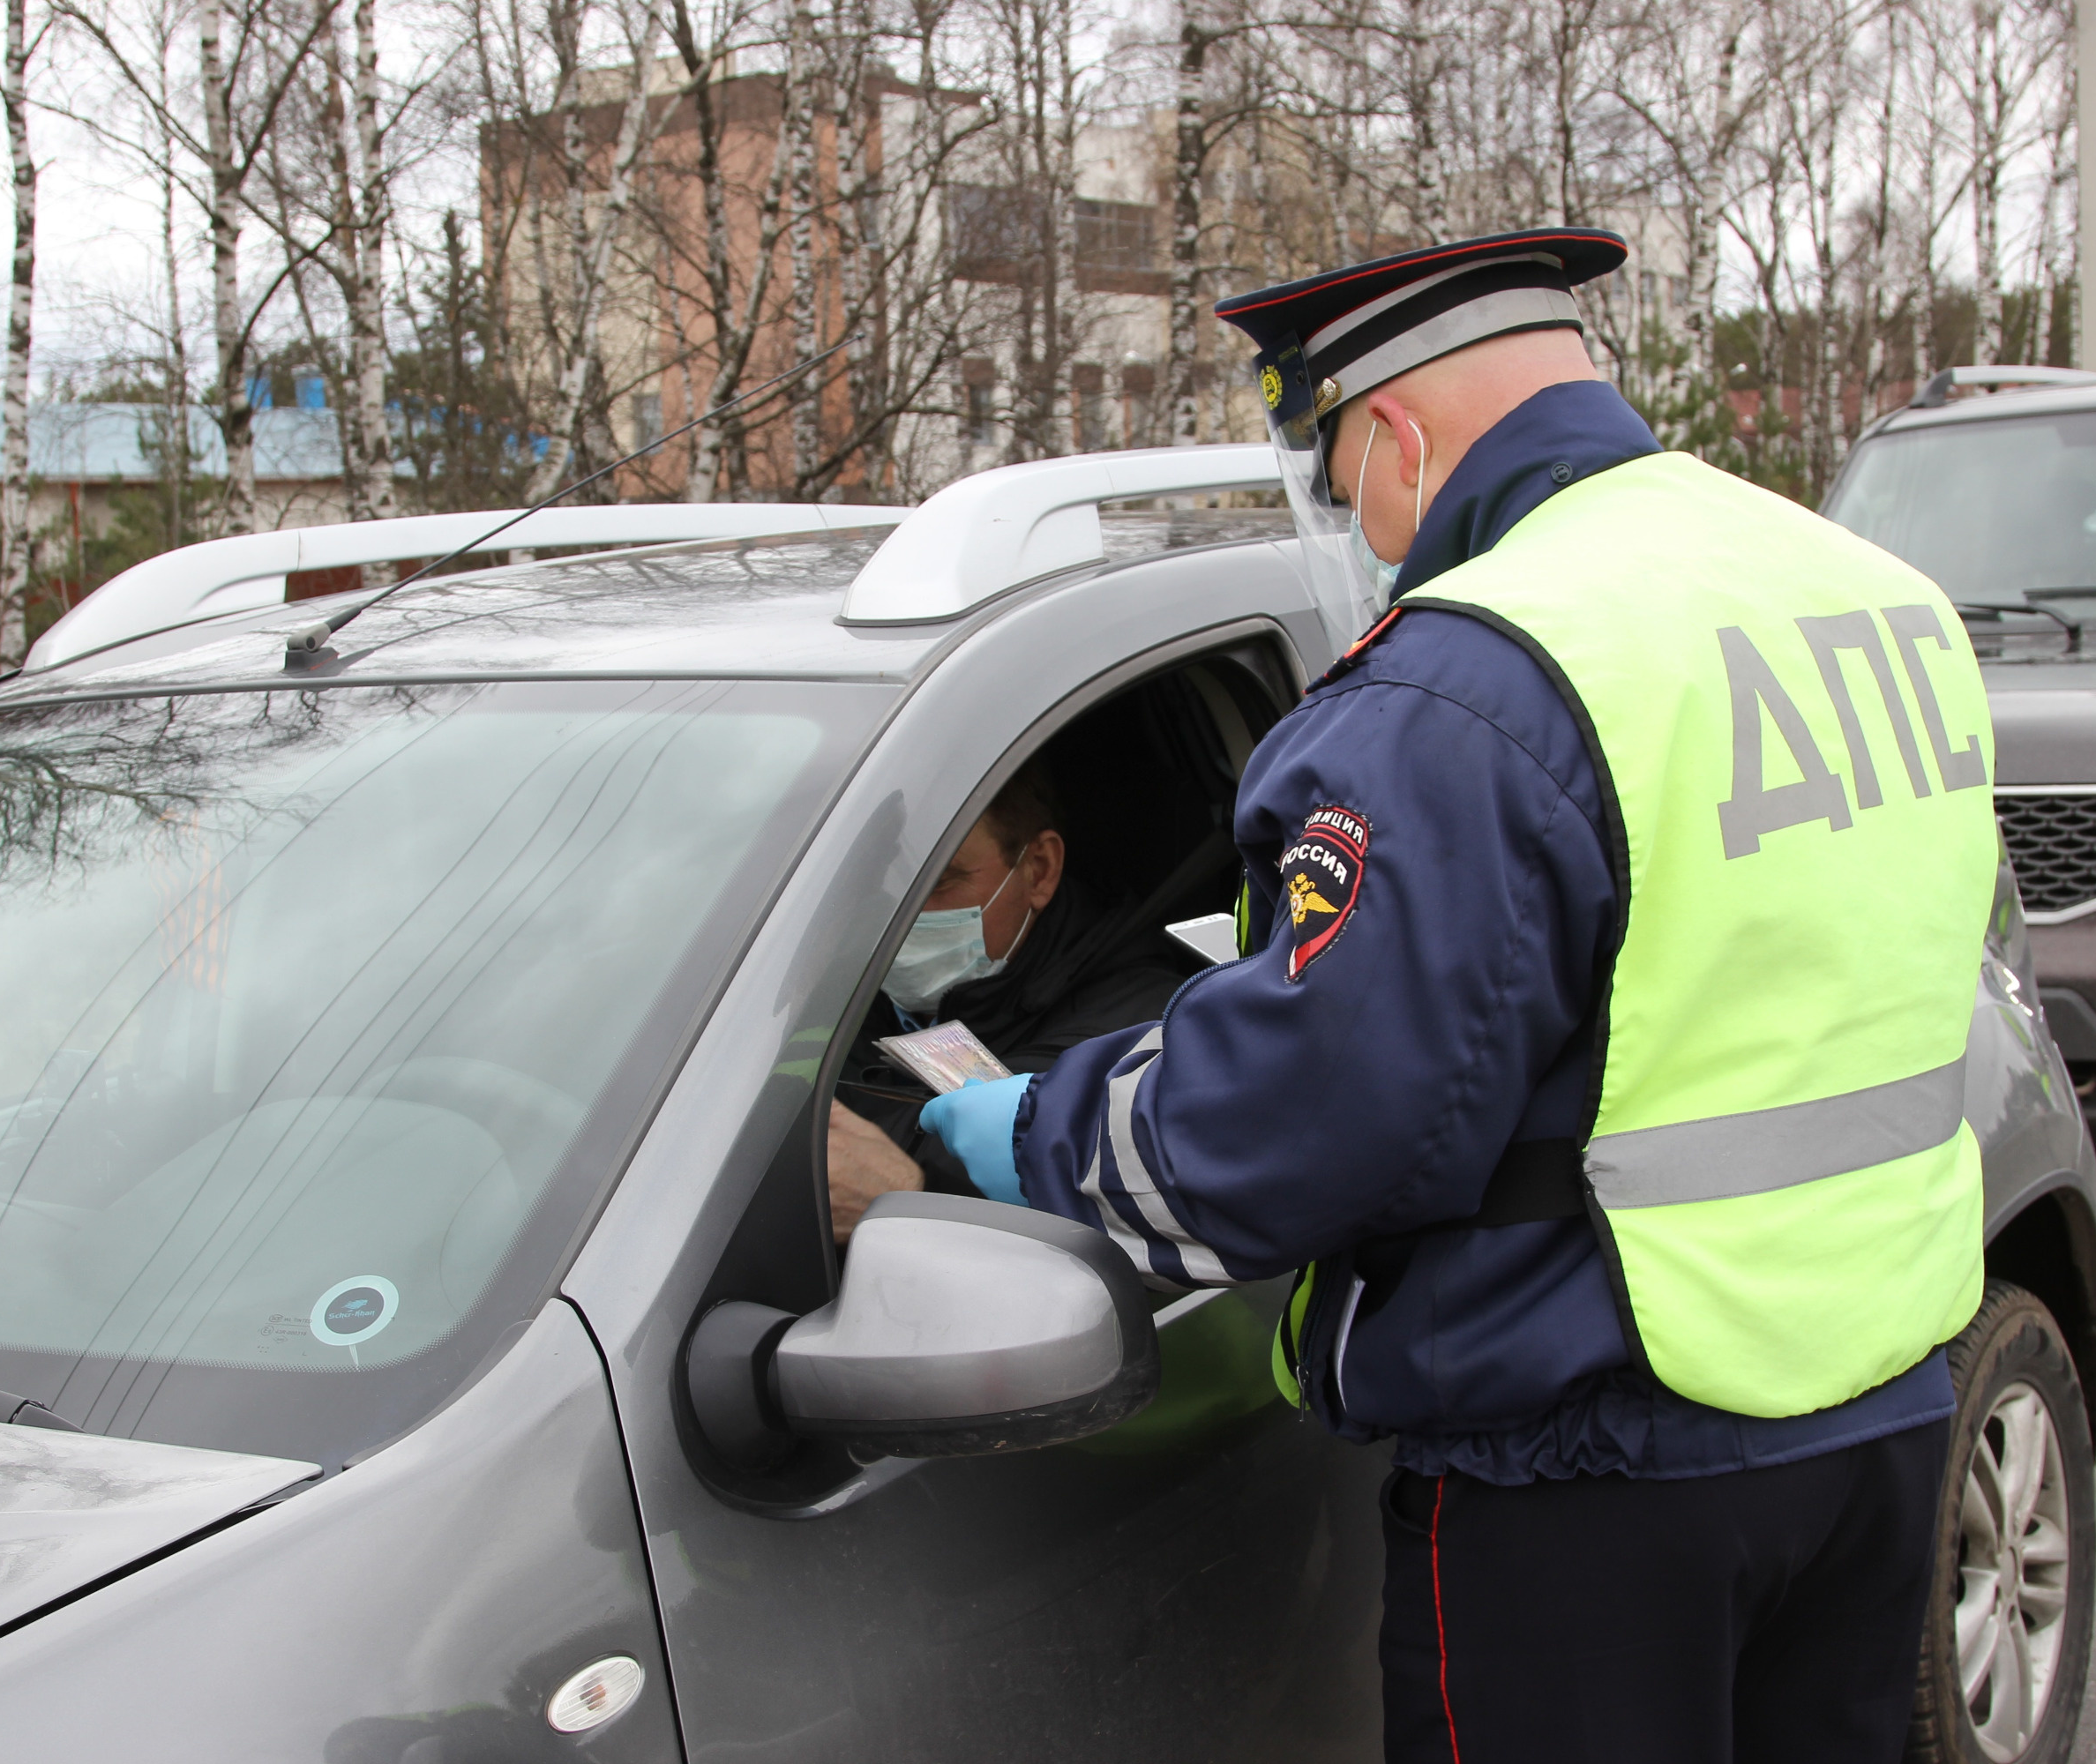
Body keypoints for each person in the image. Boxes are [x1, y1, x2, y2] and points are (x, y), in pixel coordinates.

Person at [918, 228, 2001, 1764]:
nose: (1353, 520)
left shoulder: (1467, 682)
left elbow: (1293, 1126)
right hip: (1876, 1413)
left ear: (1399, 434)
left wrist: (1035, 1131)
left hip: (1601, 1474)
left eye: (1334, 468)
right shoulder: (1872, 596)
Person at [826, 756, 1190, 1240]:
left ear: (1038, 871)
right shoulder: (817, 983)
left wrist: (905, 1200)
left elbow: (1067, 1224)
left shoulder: (1137, 1033)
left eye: (937, 884)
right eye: (876, 886)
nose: (897, 917)